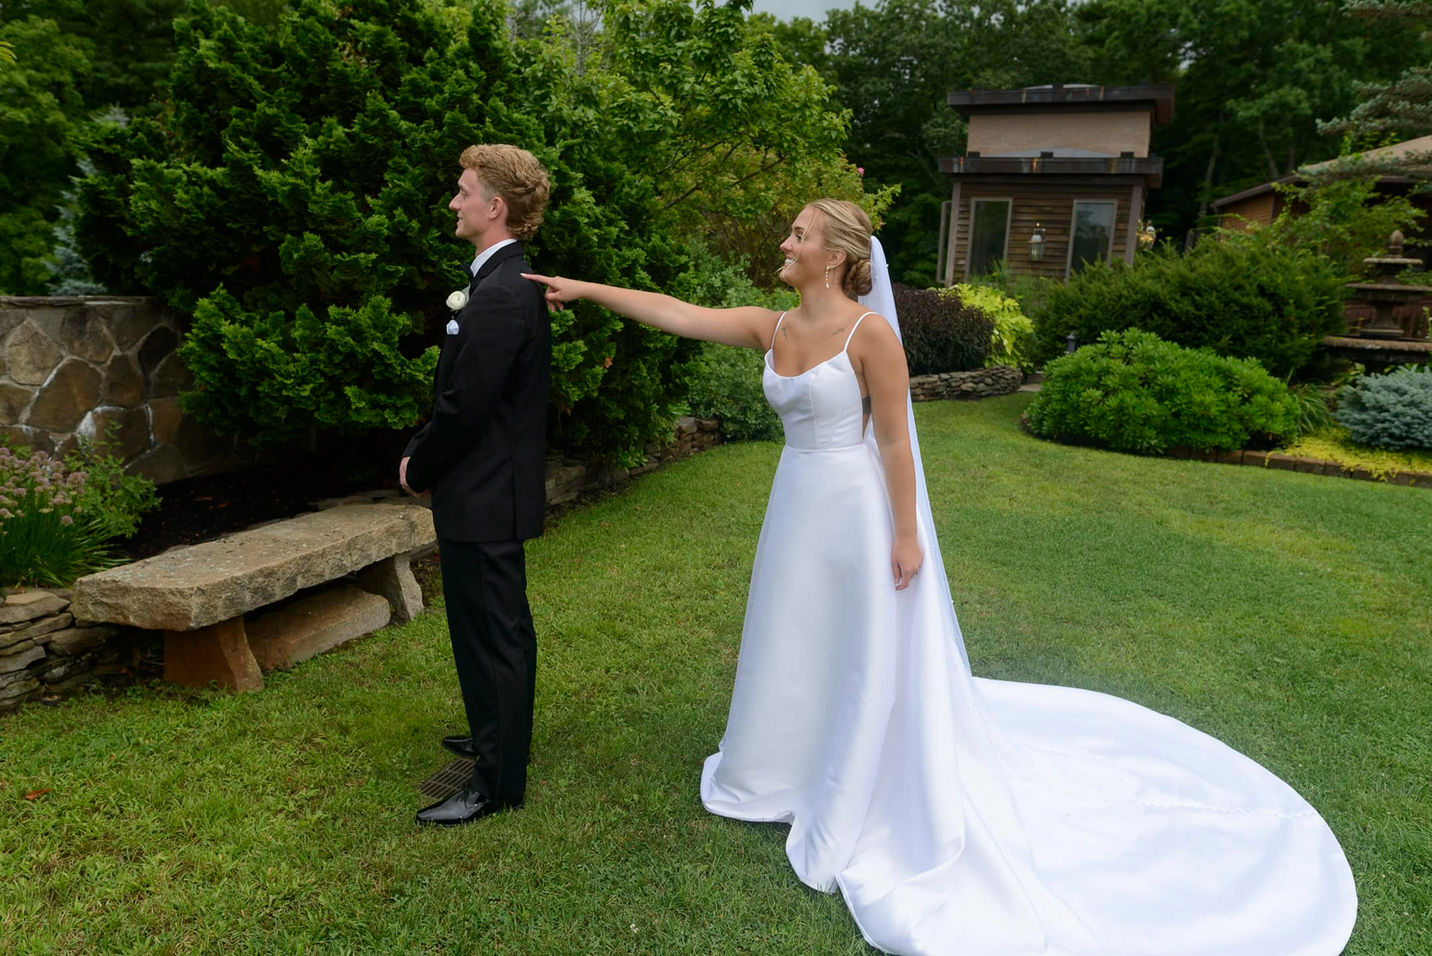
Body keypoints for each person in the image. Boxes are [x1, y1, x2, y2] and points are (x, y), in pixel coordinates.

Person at [525, 199, 1357, 955]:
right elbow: (679, 314)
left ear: (839, 257)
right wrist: (588, 289)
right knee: (792, 634)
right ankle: (779, 766)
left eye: (800, 235)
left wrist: (906, 534)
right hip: (796, 506)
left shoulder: (870, 335)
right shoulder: (773, 326)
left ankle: (859, 773)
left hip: (854, 511)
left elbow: (894, 440)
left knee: (858, 645)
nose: (785, 241)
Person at [401, 144, 551, 827]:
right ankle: (496, 732)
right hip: (485, 490)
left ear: (495, 207)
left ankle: (496, 778)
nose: (454, 202)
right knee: (486, 627)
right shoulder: (499, 282)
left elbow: (466, 408)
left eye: (464, 192)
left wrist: (417, 464)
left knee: (494, 632)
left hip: (485, 492)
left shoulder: (500, 293)